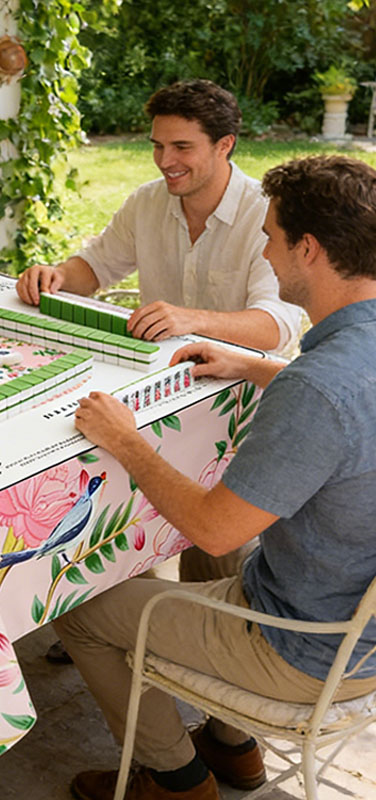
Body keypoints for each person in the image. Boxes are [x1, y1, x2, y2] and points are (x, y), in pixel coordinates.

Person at [54, 154, 376, 800]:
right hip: (358, 629)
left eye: (273, 235)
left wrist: (127, 441)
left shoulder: (320, 388)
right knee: (217, 558)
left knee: (78, 605)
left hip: (307, 649)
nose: (264, 245)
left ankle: (176, 779)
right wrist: (253, 365)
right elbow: (347, 405)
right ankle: (232, 748)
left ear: (308, 250)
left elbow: (211, 525)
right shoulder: (343, 365)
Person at [16, 79, 300, 354]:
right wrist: (55, 276)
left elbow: (274, 328)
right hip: (163, 374)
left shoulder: (267, 214)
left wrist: (193, 320)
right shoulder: (146, 202)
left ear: (224, 145)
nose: (164, 162)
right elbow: (96, 267)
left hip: (244, 387)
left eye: (181, 147)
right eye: (158, 146)